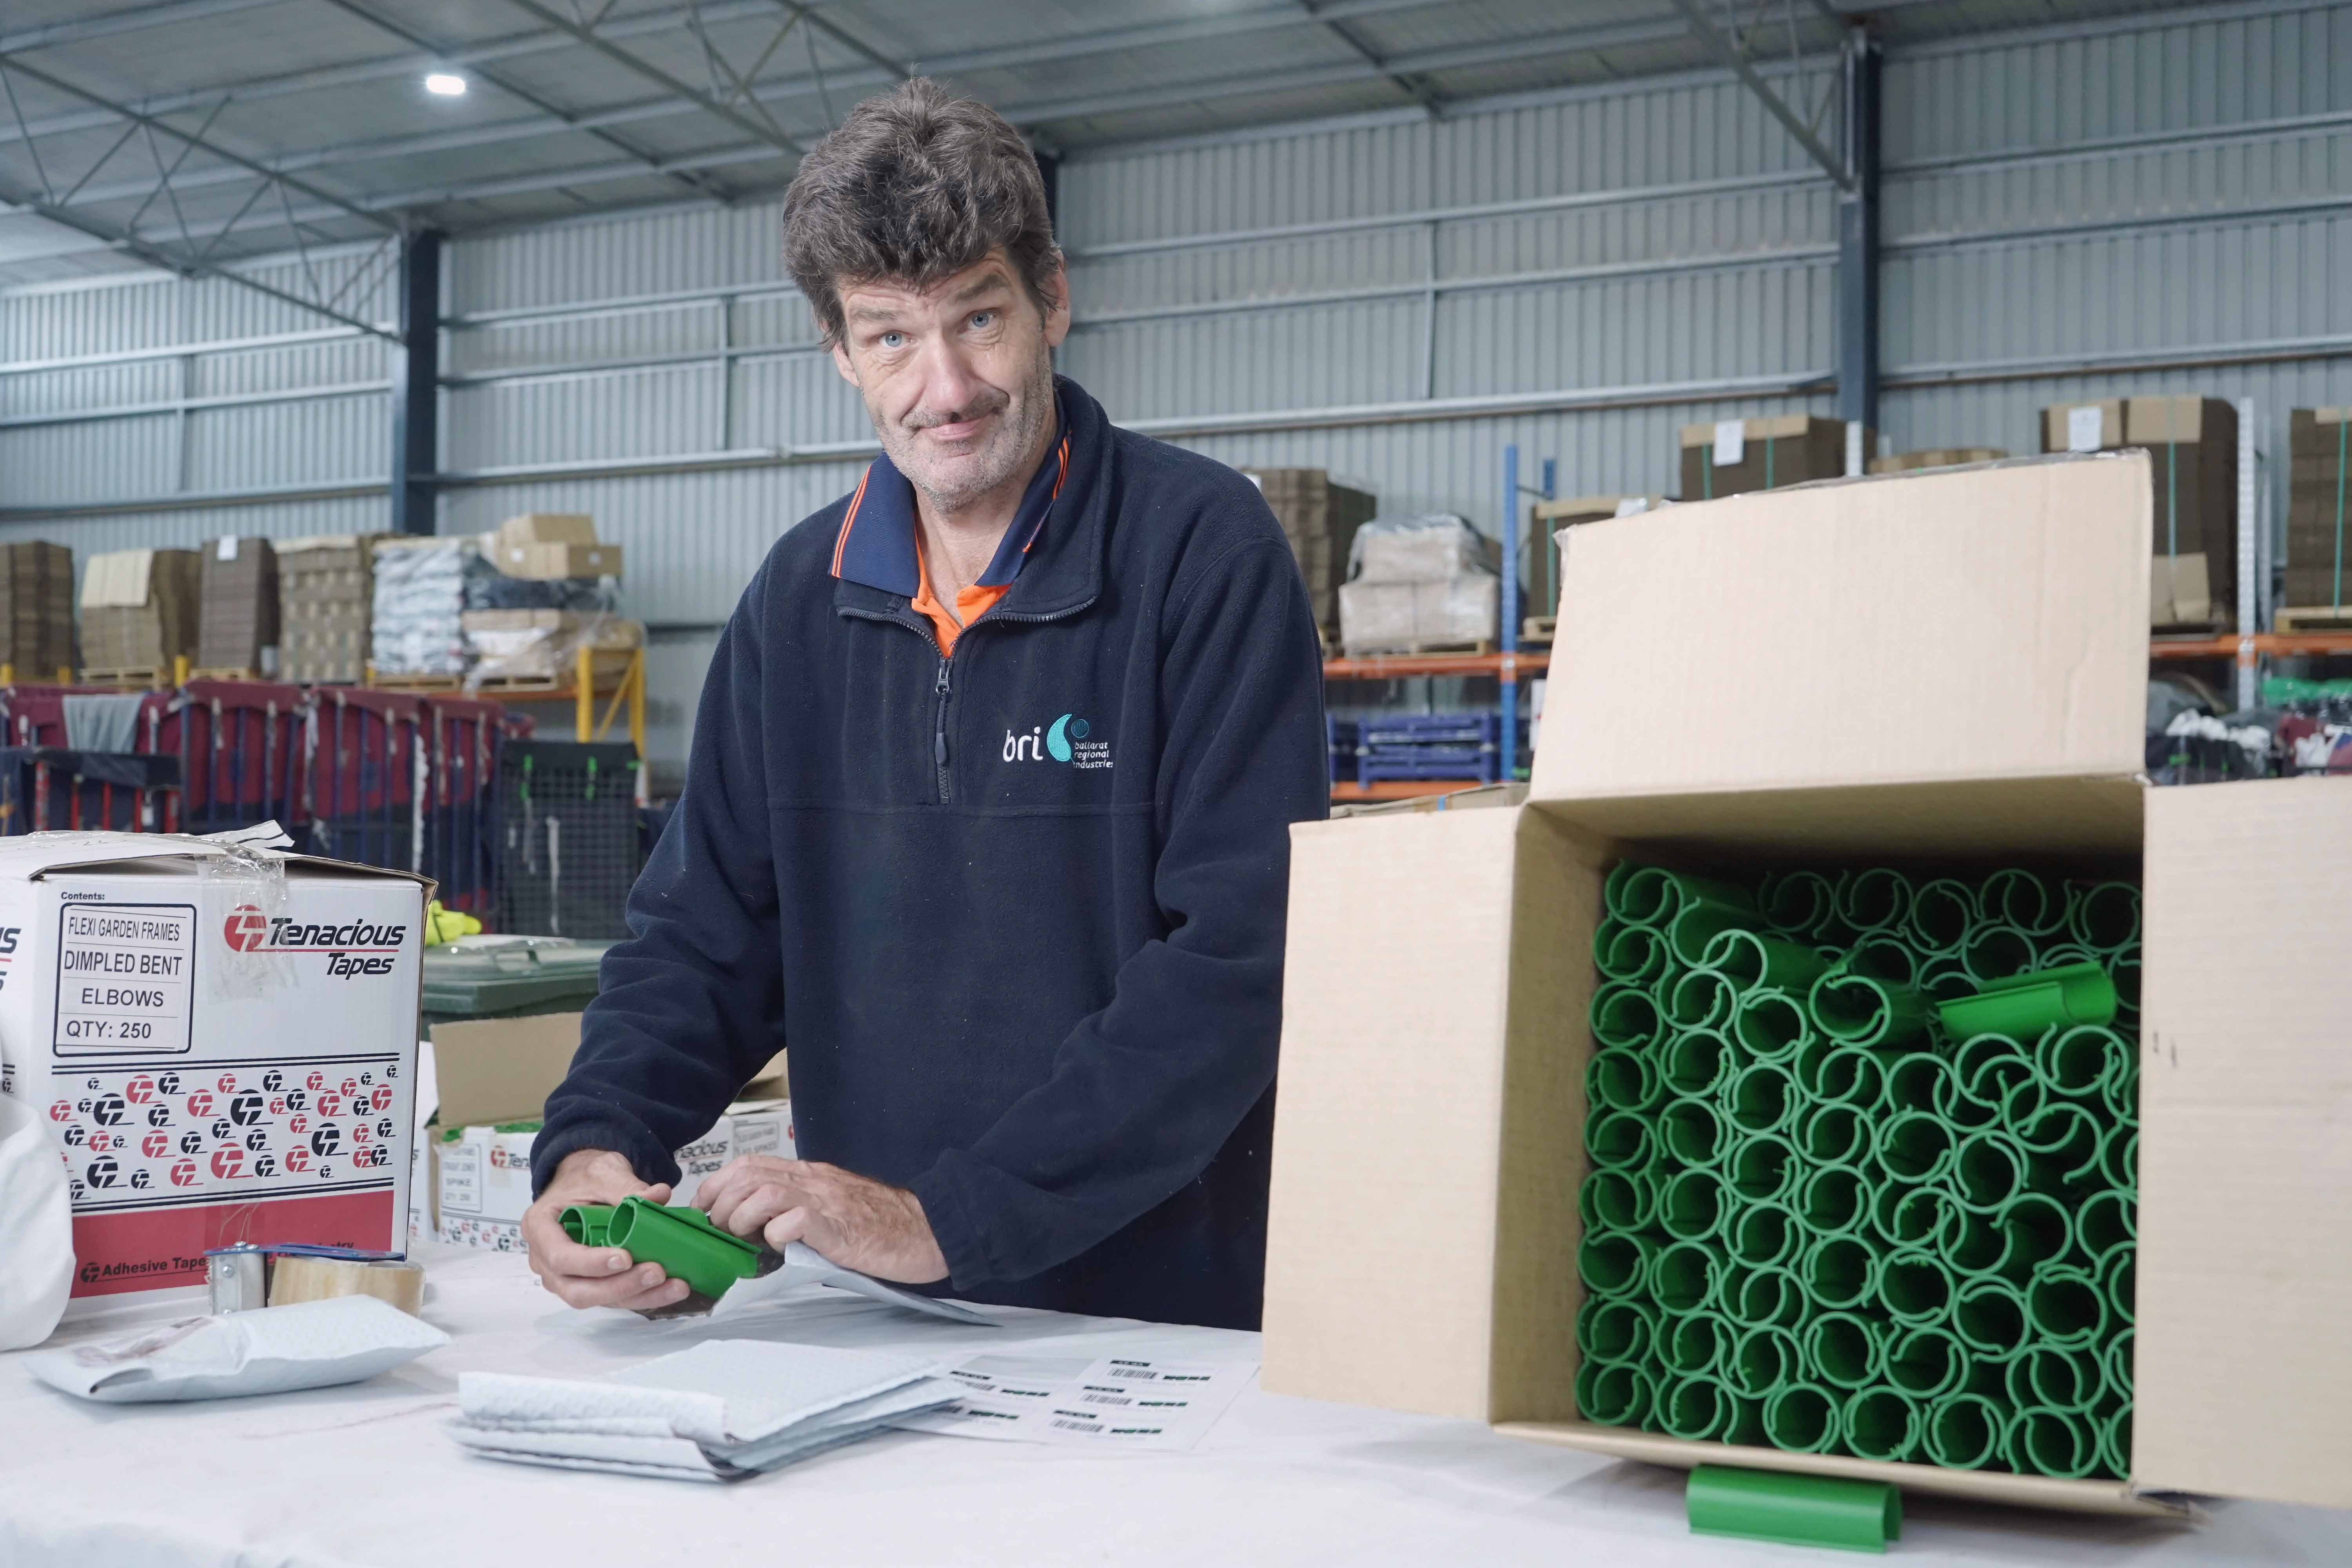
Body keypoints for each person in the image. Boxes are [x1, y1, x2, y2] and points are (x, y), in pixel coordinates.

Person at [518, 79, 1328, 1330]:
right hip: (875, 1319)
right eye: (891, 336)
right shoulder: (800, 598)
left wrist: (949, 1217)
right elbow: (703, 936)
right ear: (841, 352)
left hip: (1157, 1316)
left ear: (1053, 298)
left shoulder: (1200, 551)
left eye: (979, 318)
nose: (944, 386)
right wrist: (594, 1145)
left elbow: (1241, 959)